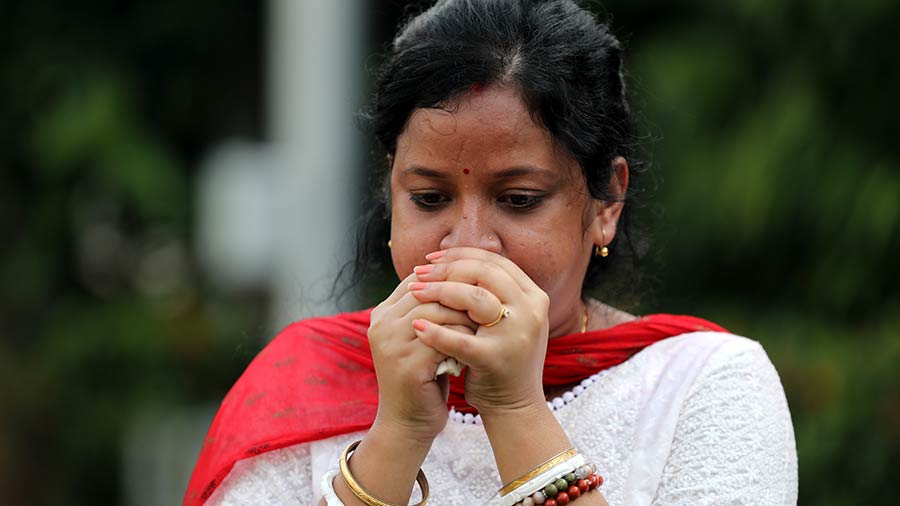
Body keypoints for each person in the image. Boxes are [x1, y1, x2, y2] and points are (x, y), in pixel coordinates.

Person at [185, 1, 798, 505]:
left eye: (519, 199)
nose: (469, 243)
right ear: (391, 192)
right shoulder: (304, 384)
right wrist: (397, 433)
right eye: (429, 198)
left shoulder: (705, 386)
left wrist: (514, 409)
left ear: (606, 202)